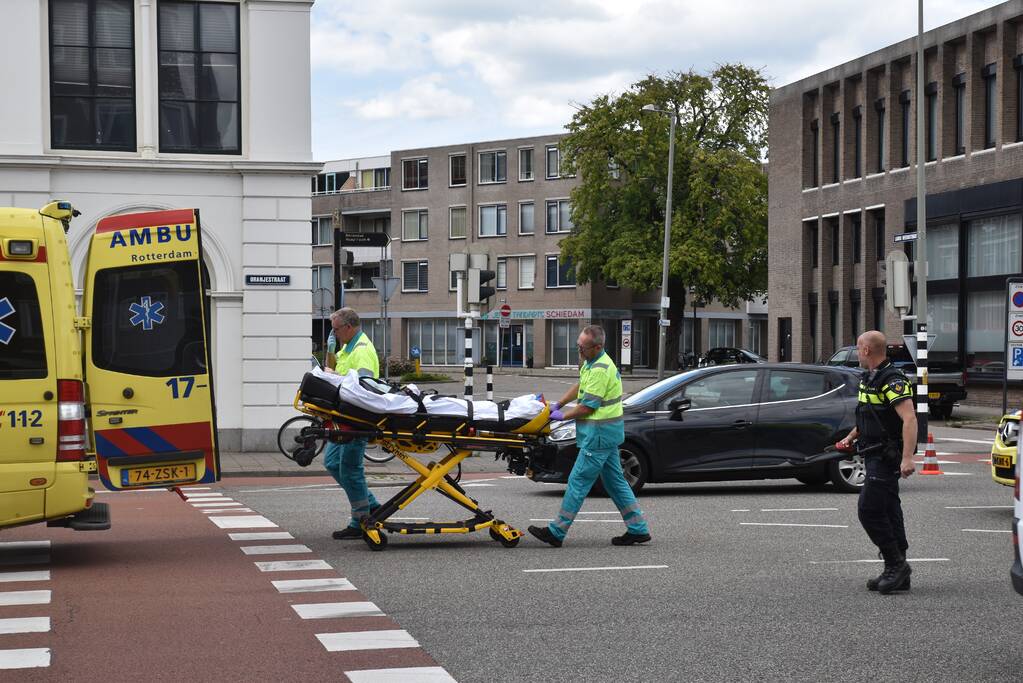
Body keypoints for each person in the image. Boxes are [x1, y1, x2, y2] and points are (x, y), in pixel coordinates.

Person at [528, 325, 651, 547]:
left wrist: (561, 416)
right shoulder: (592, 363)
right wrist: (559, 403)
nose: (579, 352)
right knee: (615, 483)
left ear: (597, 347)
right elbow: (579, 386)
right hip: (605, 434)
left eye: (582, 348)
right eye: (578, 346)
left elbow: (587, 408)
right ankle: (638, 528)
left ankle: (557, 532)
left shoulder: (600, 370)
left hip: (599, 436)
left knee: (578, 481)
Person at [836, 330, 916, 593]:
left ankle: (895, 564)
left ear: (867, 350)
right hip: (871, 452)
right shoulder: (868, 377)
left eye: (858, 348)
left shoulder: (892, 379)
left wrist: (907, 458)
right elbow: (868, 416)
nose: (858, 353)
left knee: (868, 509)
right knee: (890, 509)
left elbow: (909, 418)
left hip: (885, 456)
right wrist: (850, 437)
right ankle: (898, 570)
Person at [323, 308, 381, 540]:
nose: (334, 334)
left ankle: (360, 520)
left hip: (358, 419)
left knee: (349, 468)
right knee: (332, 462)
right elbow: (341, 372)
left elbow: (363, 388)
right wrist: (330, 356)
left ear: (348, 327)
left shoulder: (363, 351)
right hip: (344, 419)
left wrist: (334, 378)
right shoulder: (348, 347)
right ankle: (371, 505)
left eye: (336, 330)